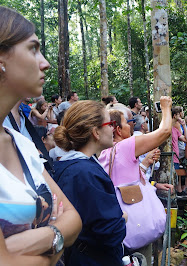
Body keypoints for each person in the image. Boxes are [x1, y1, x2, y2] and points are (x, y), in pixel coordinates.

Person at [0, 6, 81, 264]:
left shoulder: (20, 143)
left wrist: (50, 237)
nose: (45, 62)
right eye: (33, 49)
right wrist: (56, 245)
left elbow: (74, 217)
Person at [98, 96, 173, 264]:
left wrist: (145, 163)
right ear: (117, 129)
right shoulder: (123, 147)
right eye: (127, 123)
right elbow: (164, 132)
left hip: (121, 230)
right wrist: (166, 108)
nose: (130, 126)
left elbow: (125, 179)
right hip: (136, 232)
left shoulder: (106, 152)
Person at [53, 100, 127, 266]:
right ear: (96, 132)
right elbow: (110, 232)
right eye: (110, 123)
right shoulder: (84, 173)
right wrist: (123, 219)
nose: (113, 129)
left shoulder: (71, 165)